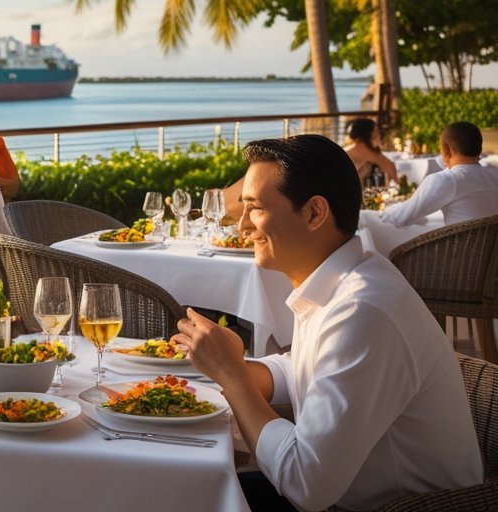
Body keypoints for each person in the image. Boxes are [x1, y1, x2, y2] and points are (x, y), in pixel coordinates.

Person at [174, 134, 481, 512]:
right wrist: (228, 366)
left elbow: (306, 483)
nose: (241, 226)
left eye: (254, 208)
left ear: (315, 213)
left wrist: (234, 379)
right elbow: (310, 367)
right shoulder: (348, 275)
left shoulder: (363, 310)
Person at [373, 121, 498, 228]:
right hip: (491, 254)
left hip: (460, 254)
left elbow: (400, 218)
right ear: (479, 149)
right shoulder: (494, 174)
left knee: (371, 224)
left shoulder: (447, 180)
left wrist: (377, 213)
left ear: (446, 150)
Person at [343, 117, 397, 187]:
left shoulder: (345, 153)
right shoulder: (373, 154)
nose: (379, 135)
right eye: (377, 131)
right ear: (372, 134)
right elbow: (394, 178)